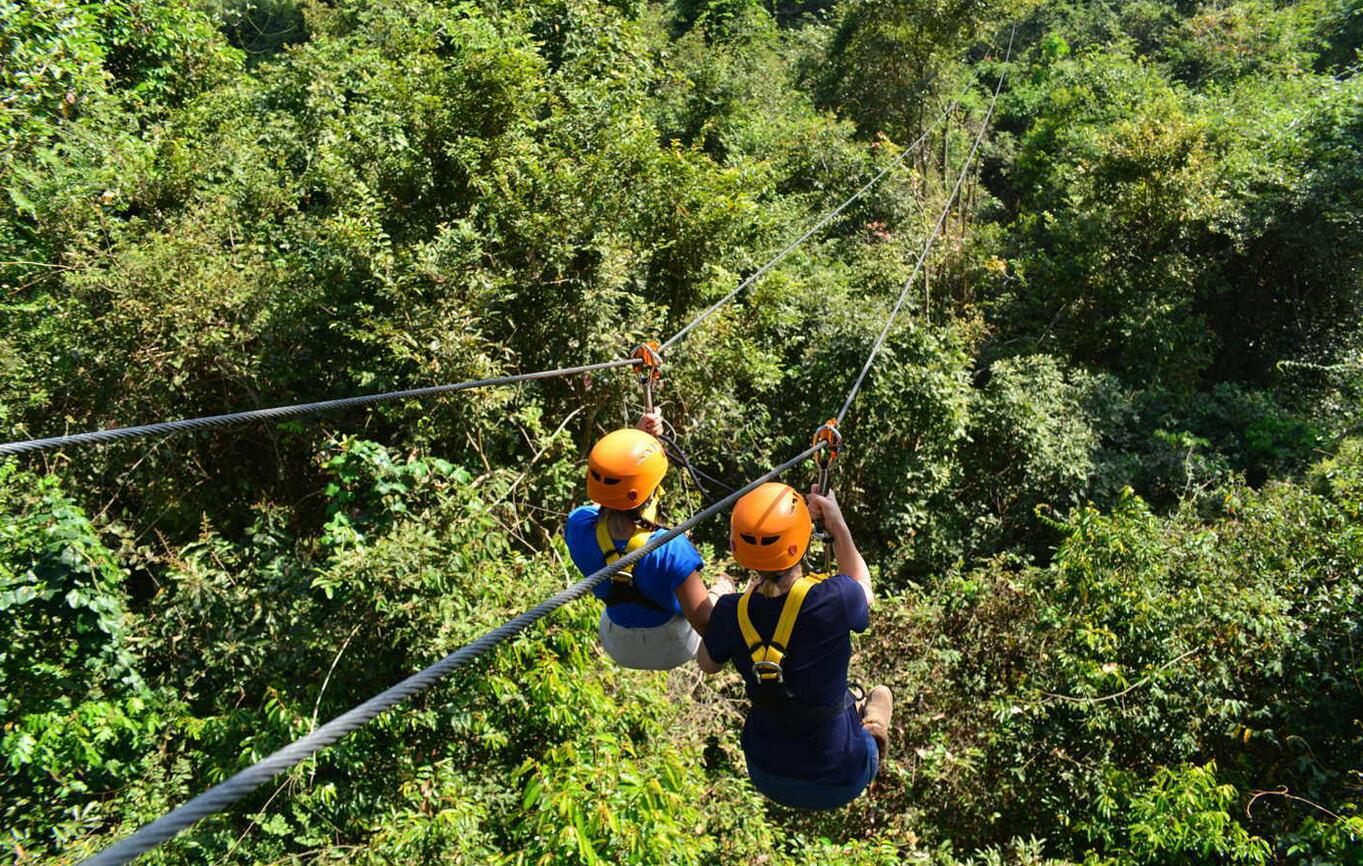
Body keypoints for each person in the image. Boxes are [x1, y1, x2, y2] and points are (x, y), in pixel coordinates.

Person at [697, 481, 893, 810]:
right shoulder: (836, 597)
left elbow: (707, 664)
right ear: (801, 543)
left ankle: (860, 709)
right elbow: (864, 588)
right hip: (840, 776)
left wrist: (718, 601)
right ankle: (873, 727)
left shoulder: (732, 611)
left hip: (765, 771)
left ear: (736, 547)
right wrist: (837, 522)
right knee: (880, 694)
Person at [564, 411, 732, 670]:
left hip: (616, 642)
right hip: (672, 645)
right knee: (723, 593)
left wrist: (638, 443)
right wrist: (724, 593)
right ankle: (724, 589)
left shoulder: (578, 526)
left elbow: (609, 497)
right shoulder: (670, 549)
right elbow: (707, 626)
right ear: (651, 491)